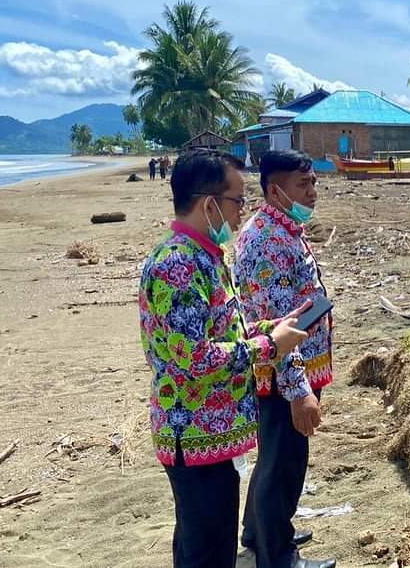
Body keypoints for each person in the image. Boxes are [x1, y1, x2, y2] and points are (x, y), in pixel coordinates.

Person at [139, 149, 310, 568]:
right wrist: (269, 347)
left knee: (210, 546)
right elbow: (194, 360)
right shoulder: (177, 265)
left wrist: (268, 331)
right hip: (194, 432)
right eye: (238, 201)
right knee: (207, 553)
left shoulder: (206, 258)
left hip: (213, 434)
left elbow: (222, 334)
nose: (243, 213)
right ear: (209, 204)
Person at [234, 150, 336, 568]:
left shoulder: (281, 227)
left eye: (313, 183)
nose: (312, 192)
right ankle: (277, 556)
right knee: (283, 464)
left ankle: (261, 530)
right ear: (274, 190)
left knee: (275, 458)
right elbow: (276, 328)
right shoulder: (266, 241)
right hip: (282, 374)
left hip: (291, 368)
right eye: (303, 185)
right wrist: (299, 392)